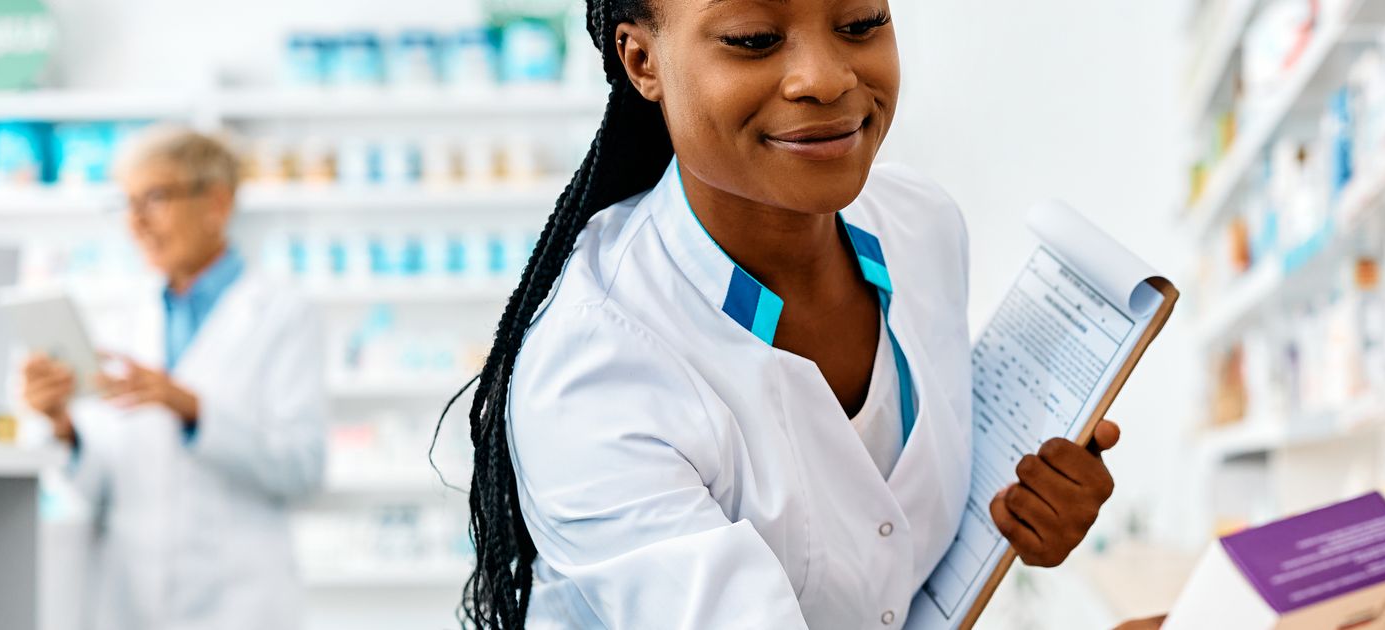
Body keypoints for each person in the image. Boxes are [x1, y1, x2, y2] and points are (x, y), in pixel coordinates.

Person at [444, 0, 1130, 627]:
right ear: (642, 61)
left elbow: (894, 553)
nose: (825, 79)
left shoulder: (922, 227)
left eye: (862, 23)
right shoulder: (593, 368)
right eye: (755, 39)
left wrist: (1023, 511)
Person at [18, 126, 327, 630]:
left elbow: (302, 469)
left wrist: (192, 409)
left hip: (242, 601)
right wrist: (62, 427)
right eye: (127, 202)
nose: (135, 222)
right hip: (128, 597)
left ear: (217, 204)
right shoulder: (124, 313)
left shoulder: (282, 313)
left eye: (155, 198)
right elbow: (98, 484)